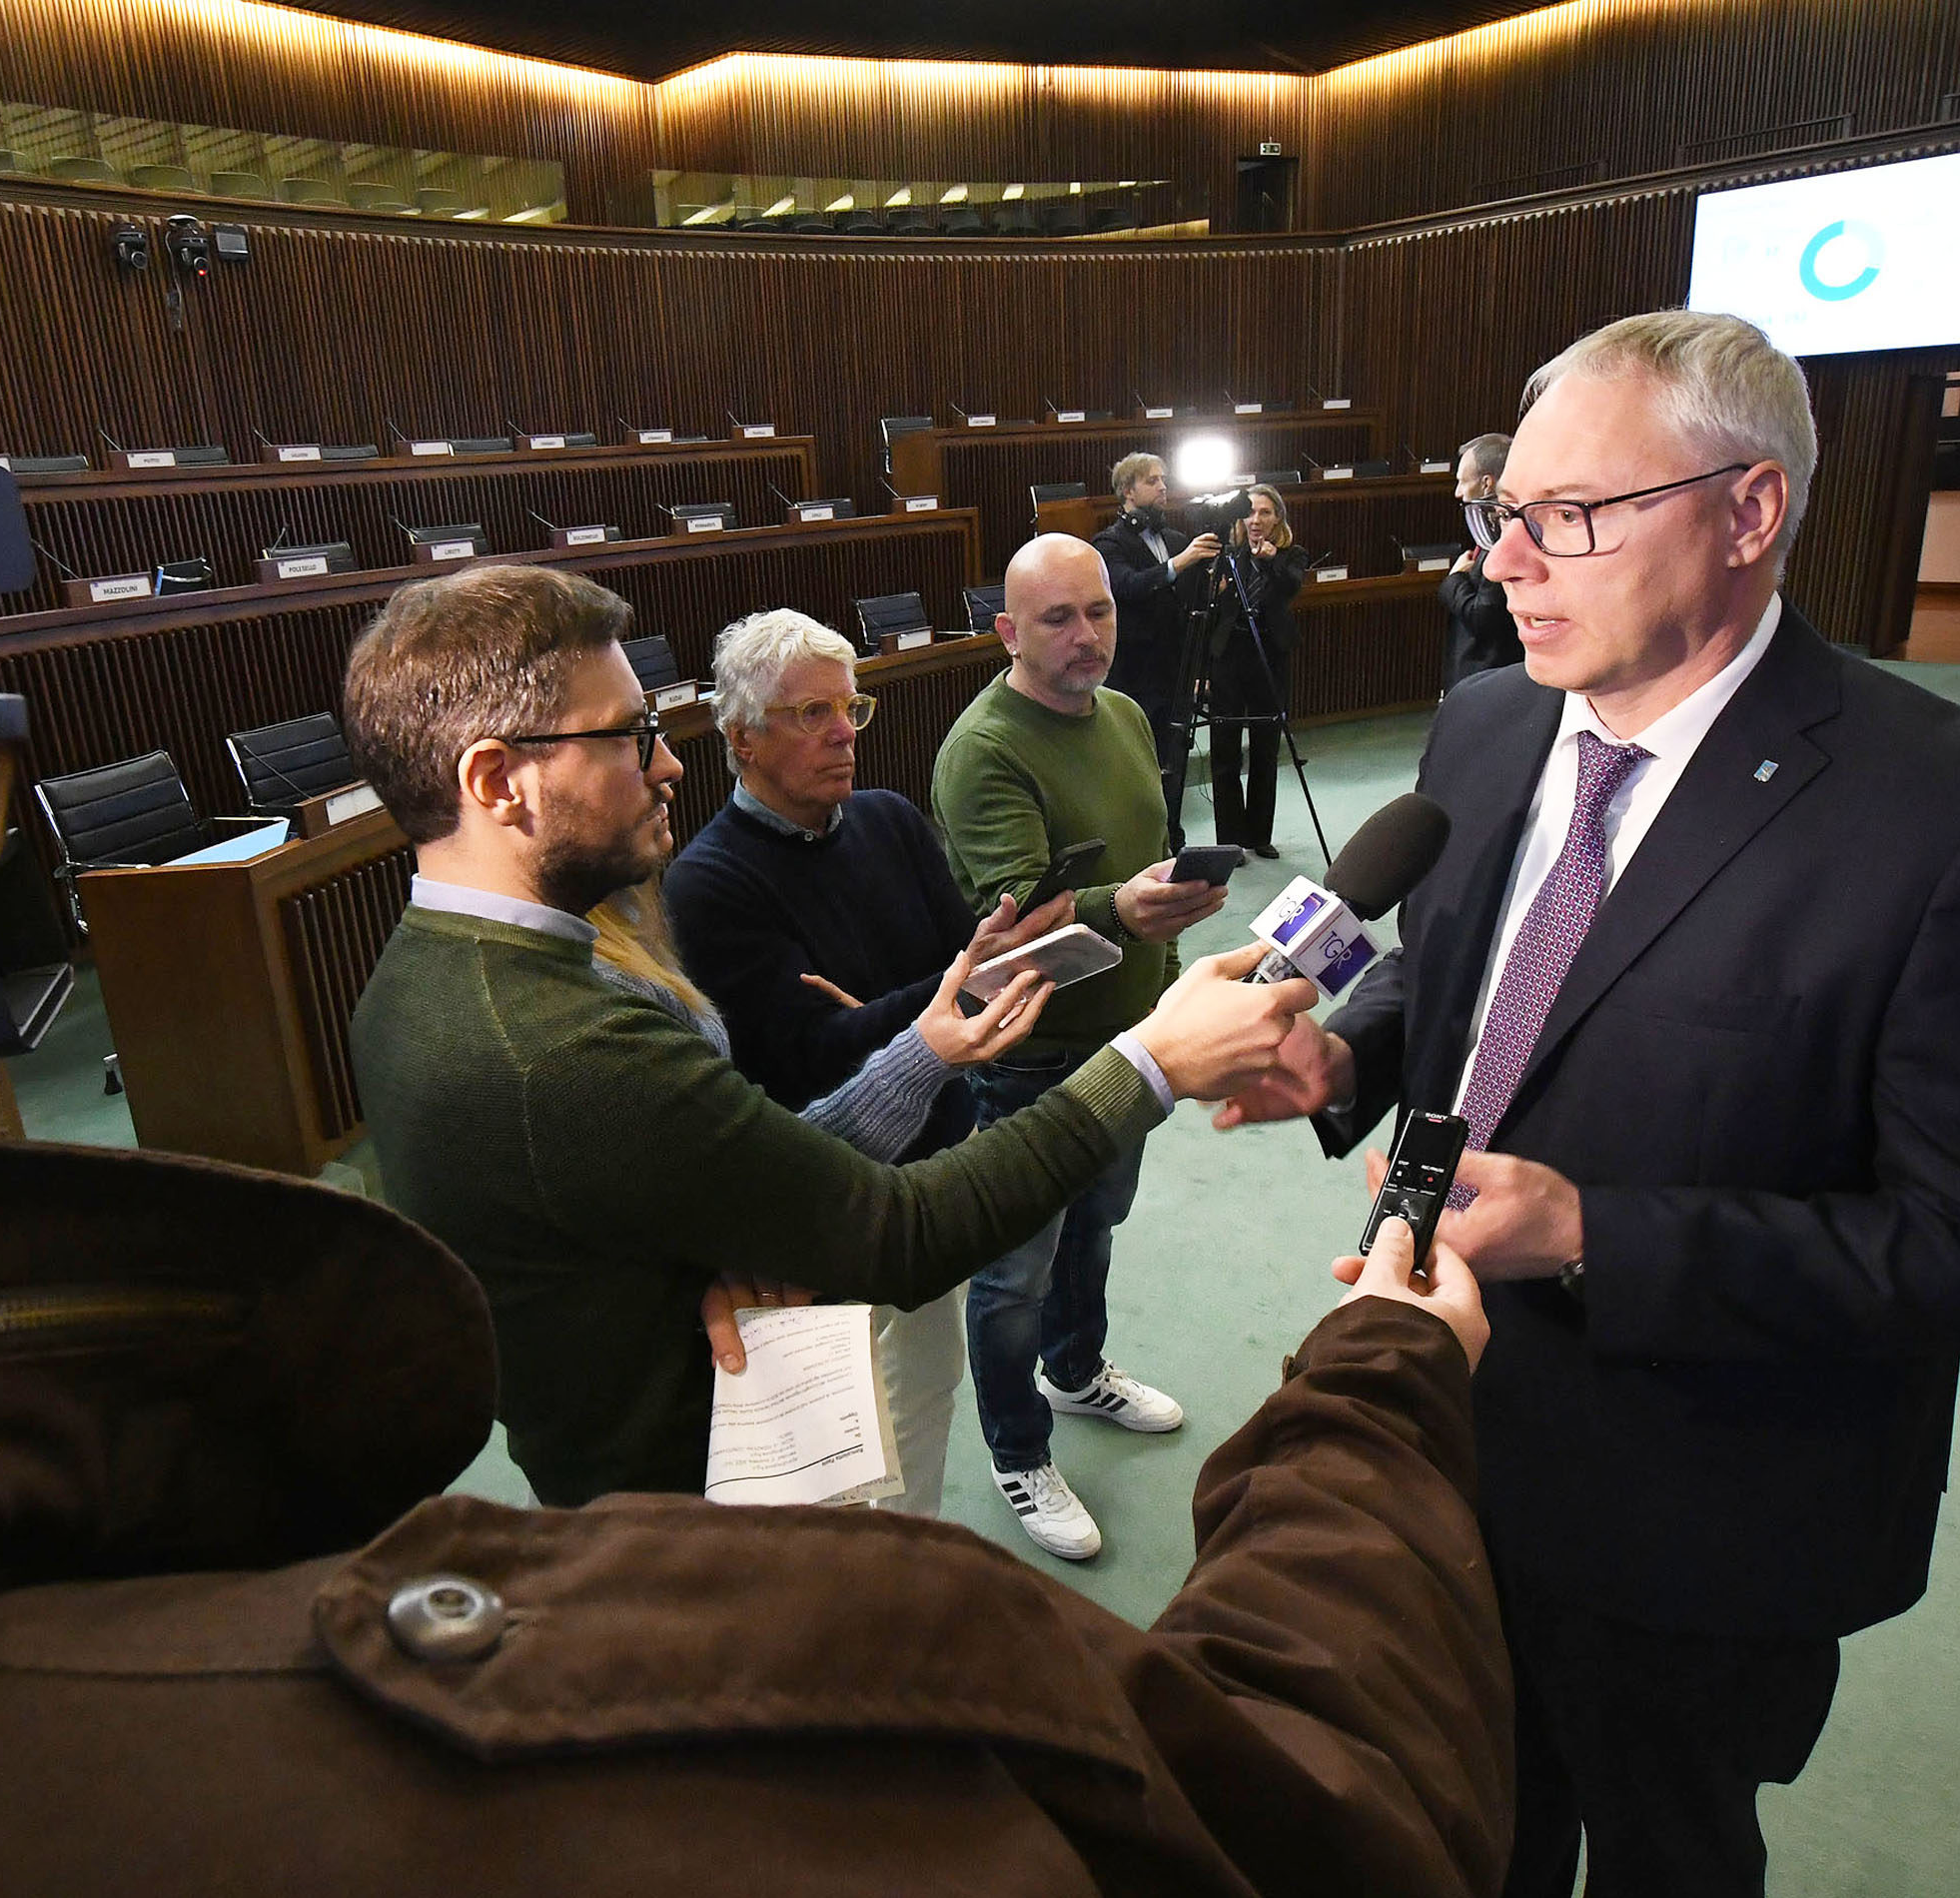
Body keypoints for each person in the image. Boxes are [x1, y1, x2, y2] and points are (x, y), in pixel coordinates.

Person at [0, 236, 1519, 1897]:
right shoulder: (544, 1043)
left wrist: (905, 1049)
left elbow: (742, 1144)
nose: (677, 760)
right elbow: (1288, 1816)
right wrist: (1181, 1113)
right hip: (695, 1488)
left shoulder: (503, 960)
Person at [1222, 310, 1960, 1898]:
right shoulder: (1496, 717)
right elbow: (1466, 958)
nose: (1507, 564)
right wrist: (1351, 1058)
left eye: (1569, 517)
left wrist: (1593, 1233)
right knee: (1462, 1831)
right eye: (1499, 512)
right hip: (1433, 1439)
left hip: (1704, 1518)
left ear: (1746, 513)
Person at [341, 561, 1319, 1510]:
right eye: (631, 735)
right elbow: (896, 1228)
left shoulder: (426, 969)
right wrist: (1154, 1058)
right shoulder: (560, 1043)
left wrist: (733, 1245)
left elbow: (687, 1186)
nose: (670, 762)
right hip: (693, 1508)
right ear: (498, 781)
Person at [660, 608, 1067, 1515]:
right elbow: (802, 1061)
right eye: (811, 714)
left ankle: (911, 1560)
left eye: (850, 707)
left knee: (925, 1398)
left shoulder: (885, 818)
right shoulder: (707, 882)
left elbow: (937, 983)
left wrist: (917, 994)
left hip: (936, 1175)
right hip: (822, 1209)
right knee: (845, 1458)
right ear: (743, 741)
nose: (844, 733)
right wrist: (930, 999)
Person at [930, 533, 1232, 1560]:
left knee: (1095, 1225)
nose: (1086, 636)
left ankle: (1076, 1369)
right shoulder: (985, 750)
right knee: (1014, 1271)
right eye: (1057, 619)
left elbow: (1137, 857)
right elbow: (1015, 935)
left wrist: (1171, 899)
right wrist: (1127, 908)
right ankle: (1019, 1446)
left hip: (1129, 1035)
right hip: (1031, 1055)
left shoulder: (1125, 712)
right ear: (1009, 631)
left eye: (1098, 611)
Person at [1091, 451, 1220, 850]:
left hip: (1177, 671)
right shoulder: (1109, 543)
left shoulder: (1178, 540)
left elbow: (1194, 606)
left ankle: (1173, 838)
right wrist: (1181, 564)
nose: (1163, 487)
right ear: (1127, 491)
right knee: (1137, 763)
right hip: (1135, 675)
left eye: (1164, 480)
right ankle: (1138, 843)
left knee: (1175, 760)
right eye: (1152, 481)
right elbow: (1128, 585)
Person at [1206, 481, 1307, 858]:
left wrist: (1269, 560)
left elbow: (1289, 588)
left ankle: (1259, 835)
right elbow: (1207, 610)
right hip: (1228, 658)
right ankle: (1230, 839)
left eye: (1265, 512)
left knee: (1266, 749)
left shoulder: (1291, 555)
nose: (1255, 519)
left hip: (1271, 657)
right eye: (1249, 512)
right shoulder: (1227, 554)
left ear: (1277, 517)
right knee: (1225, 749)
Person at [1441, 433, 1524, 690]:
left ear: (1487, 483)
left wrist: (1454, 580)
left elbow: (1484, 617)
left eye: (1462, 482)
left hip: (1488, 677)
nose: (1457, 493)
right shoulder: (1493, 529)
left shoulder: (1501, 537)